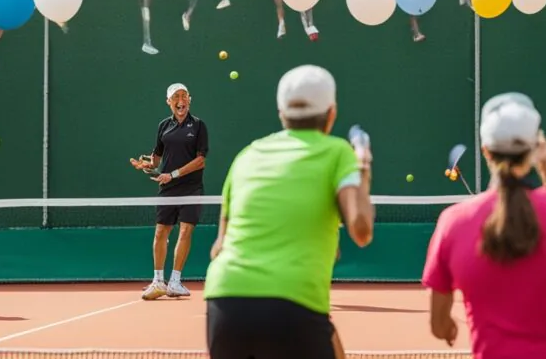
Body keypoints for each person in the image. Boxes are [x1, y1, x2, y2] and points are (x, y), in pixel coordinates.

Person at [422, 93, 546, 359]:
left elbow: (438, 325)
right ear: (536, 150)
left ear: (486, 151)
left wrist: (448, 329)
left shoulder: (452, 222)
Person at [204, 65, 374, 359]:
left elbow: (219, 248)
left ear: (282, 113)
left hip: (225, 302)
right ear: (331, 114)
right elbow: (361, 230)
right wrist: (364, 168)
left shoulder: (247, 156)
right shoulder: (339, 152)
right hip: (294, 306)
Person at [130, 83, 209, 300]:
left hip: (191, 187)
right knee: (160, 233)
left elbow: (200, 161)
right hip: (168, 187)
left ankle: (175, 281)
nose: (180, 100)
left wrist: (173, 174)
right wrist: (145, 164)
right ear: (169, 102)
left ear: (189, 100)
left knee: (185, 232)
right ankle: (158, 281)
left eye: (184, 96)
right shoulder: (163, 126)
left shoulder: (199, 126)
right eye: (176, 97)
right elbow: (156, 158)